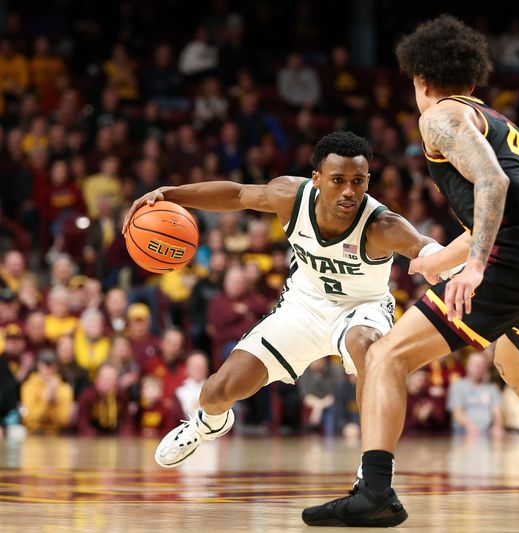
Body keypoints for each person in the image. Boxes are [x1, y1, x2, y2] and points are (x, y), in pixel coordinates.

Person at [303, 15, 519, 527]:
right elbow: (515, 203)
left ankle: (375, 491)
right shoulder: (492, 118)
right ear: (473, 79)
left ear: (421, 80)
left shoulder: (439, 117)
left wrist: (474, 265)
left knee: (387, 356)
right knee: (517, 369)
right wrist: (442, 258)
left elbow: (493, 186)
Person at [123, 131, 458, 468]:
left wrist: (456, 268)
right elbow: (238, 194)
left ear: (367, 181)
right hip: (303, 306)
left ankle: (372, 467)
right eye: (338, 180)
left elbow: (425, 247)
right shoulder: (289, 196)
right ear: (317, 179)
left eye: (358, 181)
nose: (348, 191)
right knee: (217, 391)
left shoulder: (382, 225)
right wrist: (171, 194)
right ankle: (208, 423)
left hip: (362, 309)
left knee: (369, 350)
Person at [447, 350, 504, 436]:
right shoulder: (458, 386)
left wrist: (498, 426)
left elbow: (497, 412)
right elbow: (457, 413)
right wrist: (470, 427)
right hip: (463, 432)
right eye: (475, 364)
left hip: (487, 432)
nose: (478, 367)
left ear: (486, 368)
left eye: (482, 365)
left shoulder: (492, 388)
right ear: (467, 366)